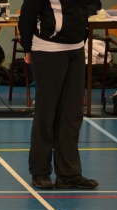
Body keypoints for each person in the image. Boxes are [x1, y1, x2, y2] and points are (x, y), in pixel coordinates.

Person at [19, 0, 101, 190]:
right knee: (46, 113)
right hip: (48, 48)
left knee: (72, 114)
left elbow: (95, 3)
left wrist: (79, 16)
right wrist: (27, 48)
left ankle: (68, 174)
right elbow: (27, 15)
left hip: (76, 48)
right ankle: (40, 172)